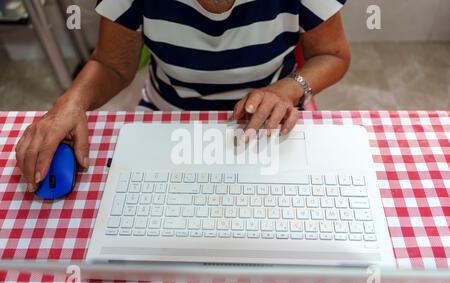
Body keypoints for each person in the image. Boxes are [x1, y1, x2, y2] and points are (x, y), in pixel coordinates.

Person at [16, 0, 351, 192]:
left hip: (271, 119)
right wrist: (71, 101)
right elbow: (111, 65)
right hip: (167, 114)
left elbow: (333, 54)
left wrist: (289, 89)